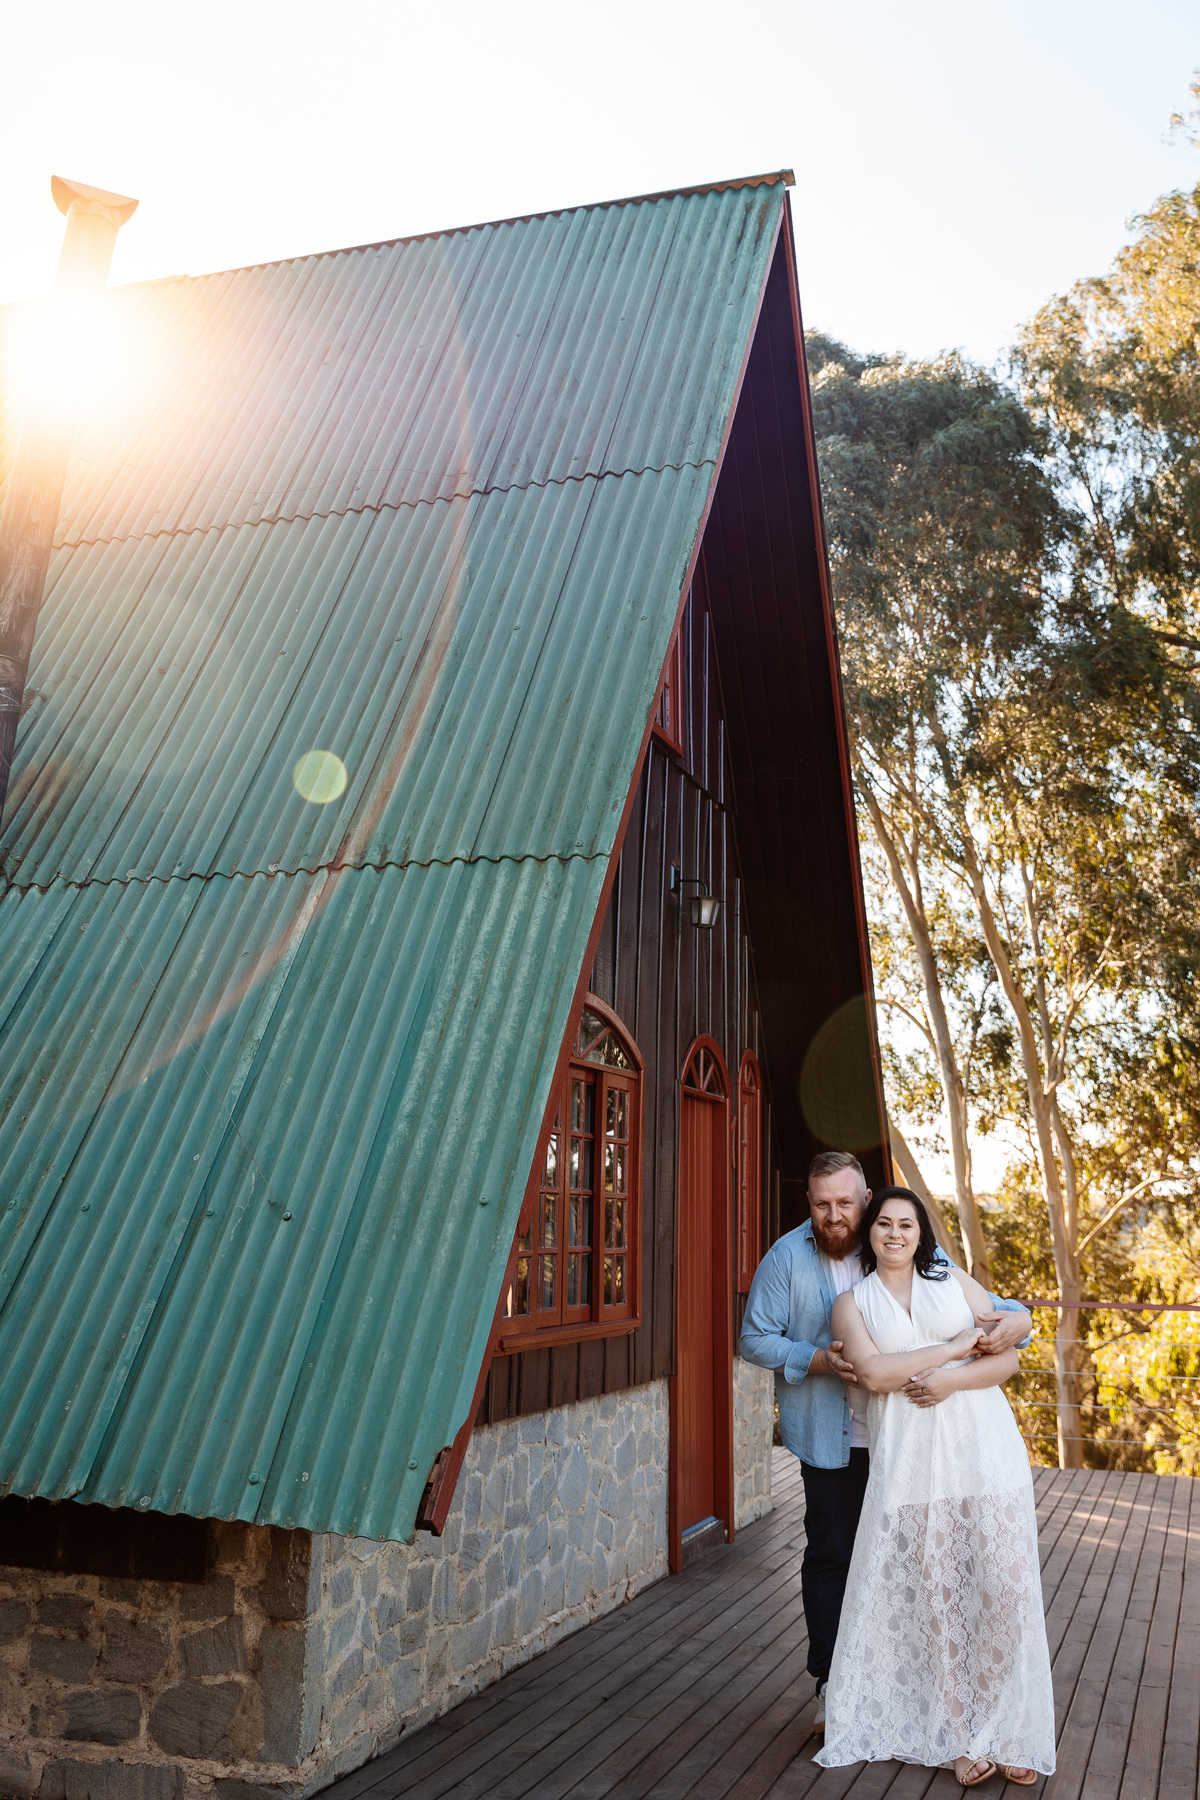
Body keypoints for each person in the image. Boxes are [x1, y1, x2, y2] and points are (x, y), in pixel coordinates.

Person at [738, 1152, 1032, 1741]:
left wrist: (1021, 1321)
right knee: (834, 1556)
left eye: (845, 1203)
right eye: (822, 1205)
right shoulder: (786, 1259)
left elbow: (992, 1309)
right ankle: (831, 1686)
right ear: (810, 1204)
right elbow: (753, 1339)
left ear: (867, 1201)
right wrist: (815, 1358)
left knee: (919, 1563)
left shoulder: (907, 1244)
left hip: (915, 1437)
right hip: (835, 1438)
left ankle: (909, 1686)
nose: (834, 1215)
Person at [813, 1187, 1054, 1785]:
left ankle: (1007, 1728)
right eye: (885, 1224)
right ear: (871, 1232)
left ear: (923, 1235)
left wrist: (949, 1381)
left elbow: (1010, 1359)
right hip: (913, 1463)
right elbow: (873, 1372)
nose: (895, 1233)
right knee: (938, 1597)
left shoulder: (951, 1279)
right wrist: (951, 1350)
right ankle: (956, 1737)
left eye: (907, 1224)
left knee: (1005, 1588)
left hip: (985, 1450)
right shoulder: (852, 1302)